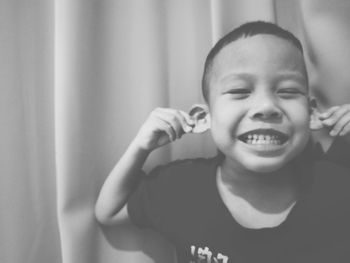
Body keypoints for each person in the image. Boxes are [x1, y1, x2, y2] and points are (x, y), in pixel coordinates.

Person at [95, 21, 350, 263]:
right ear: (203, 117)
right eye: (240, 92)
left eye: (287, 91)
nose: (266, 107)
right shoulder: (180, 189)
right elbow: (109, 212)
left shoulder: (338, 186)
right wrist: (141, 145)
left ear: (312, 114)